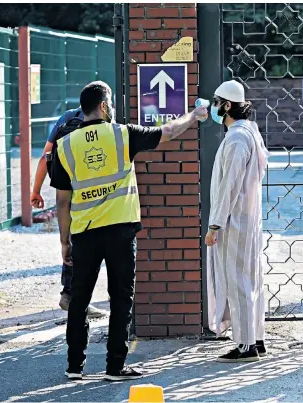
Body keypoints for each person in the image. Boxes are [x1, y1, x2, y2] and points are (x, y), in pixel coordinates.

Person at [50, 81, 208, 380]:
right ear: (104, 106)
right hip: (120, 231)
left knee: (79, 298)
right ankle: (115, 366)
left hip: (84, 232)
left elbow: (61, 199)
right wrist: (194, 115)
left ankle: (74, 366)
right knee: (120, 296)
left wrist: (63, 241)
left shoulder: (64, 144)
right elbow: (169, 132)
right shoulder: (122, 134)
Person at [205, 80, 270, 363]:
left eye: (217, 102)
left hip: (235, 221)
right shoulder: (249, 133)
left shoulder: (235, 139)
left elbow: (228, 186)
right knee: (252, 280)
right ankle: (255, 337)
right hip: (249, 217)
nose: (214, 108)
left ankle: (246, 346)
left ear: (227, 105)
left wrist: (215, 224)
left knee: (238, 282)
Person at [30, 107, 106, 318]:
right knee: (97, 246)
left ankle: (68, 293)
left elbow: (46, 155)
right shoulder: (106, 117)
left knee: (72, 242)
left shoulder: (67, 118)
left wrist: (35, 190)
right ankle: (83, 302)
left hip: (69, 189)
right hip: (94, 192)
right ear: (103, 104)